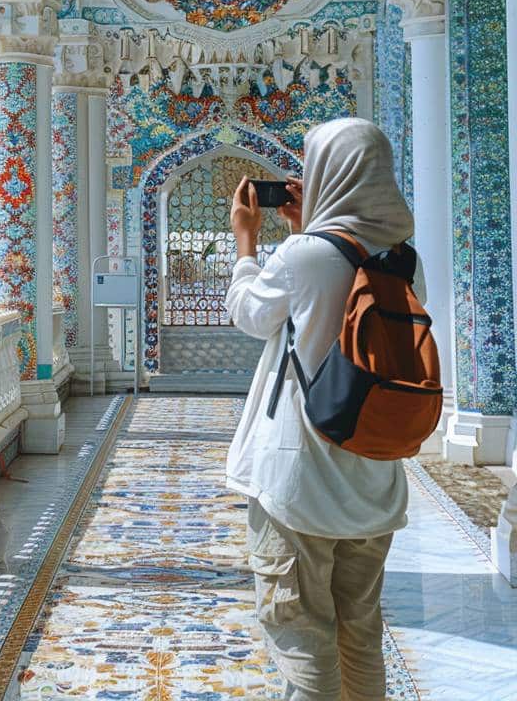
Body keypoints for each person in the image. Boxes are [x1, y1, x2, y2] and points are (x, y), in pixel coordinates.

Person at [225, 118, 420, 701]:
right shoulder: (404, 259)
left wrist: (246, 243)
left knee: (301, 633)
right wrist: (310, 228)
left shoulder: (303, 254)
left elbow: (250, 315)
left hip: (300, 481)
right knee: (360, 635)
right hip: (374, 477)